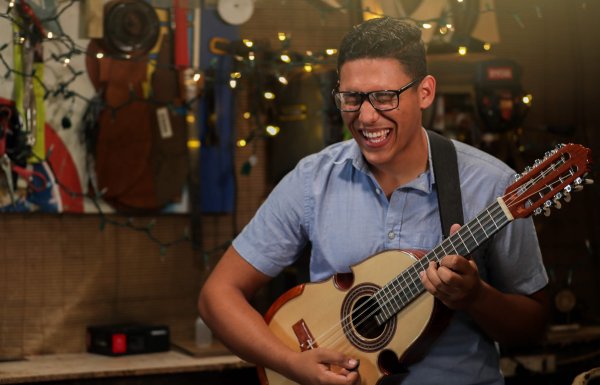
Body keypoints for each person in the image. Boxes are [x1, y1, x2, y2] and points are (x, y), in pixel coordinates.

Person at [198, 16, 549, 385]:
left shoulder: (493, 185)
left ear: (425, 92)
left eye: (385, 97)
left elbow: (533, 329)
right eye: (351, 98)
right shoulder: (312, 180)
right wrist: (290, 363)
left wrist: (477, 296)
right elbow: (216, 296)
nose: (366, 117)